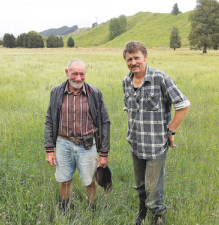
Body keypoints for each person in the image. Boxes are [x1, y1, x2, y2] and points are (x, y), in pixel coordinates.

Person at [122, 41, 190, 225]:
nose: (133, 62)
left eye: (136, 57)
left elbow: (183, 105)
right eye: (129, 59)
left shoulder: (160, 78)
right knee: (141, 186)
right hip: (135, 144)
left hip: (155, 146)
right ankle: (142, 213)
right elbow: (127, 108)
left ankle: (158, 217)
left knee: (154, 190)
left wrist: (171, 130)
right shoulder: (126, 82)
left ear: (145, 57)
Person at [44, 58, 110, 211]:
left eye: (82, 74)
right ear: (67, 72)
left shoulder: (94, 93)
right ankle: (64, 208)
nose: (78, 78)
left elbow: (104, 122)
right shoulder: (56, 91)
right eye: (74, 74)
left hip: (87, 144)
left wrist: (104, 153)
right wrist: (49, 150)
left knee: (90, 181)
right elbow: (49, 120)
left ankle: (92, 209)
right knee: (64, 179)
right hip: (63, 143)